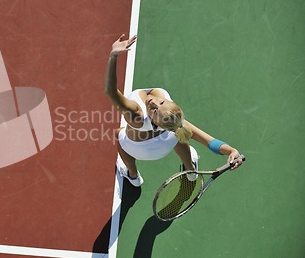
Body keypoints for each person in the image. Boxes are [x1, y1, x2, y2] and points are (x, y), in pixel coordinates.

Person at [104, 34, 244, 187]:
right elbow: (209, 141)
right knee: (179, 134)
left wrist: (113, 56)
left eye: (155, 111)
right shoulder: (174, 121)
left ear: (156, 123)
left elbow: (110, 92)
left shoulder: (137, 115)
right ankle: (190, 171)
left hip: (139, 151)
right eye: (161, 102)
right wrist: (231, 150)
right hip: (166, 145)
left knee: (119, 133)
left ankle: (133, 175)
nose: (153, 103)